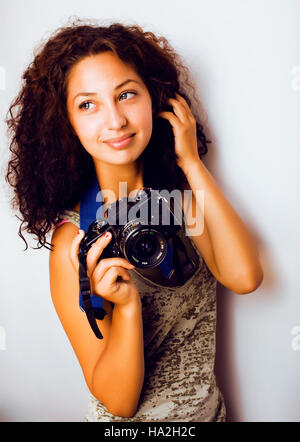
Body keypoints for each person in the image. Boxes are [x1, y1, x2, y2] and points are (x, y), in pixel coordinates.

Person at [5, 19, 263, 422]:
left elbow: (245, 278)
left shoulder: (182, 204)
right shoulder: (74, 240)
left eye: (126, 95)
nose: (115, 121)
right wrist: (126, 307)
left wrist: (191, 162)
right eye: (88, 104)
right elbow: (119, 403)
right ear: (65, 122)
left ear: (156, 99)